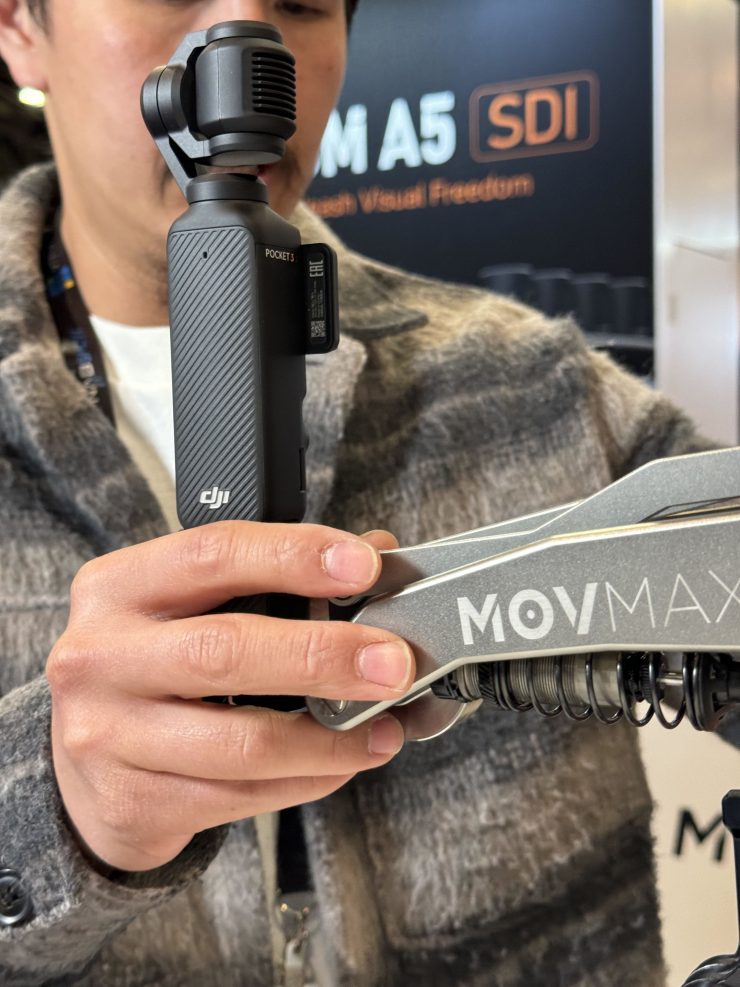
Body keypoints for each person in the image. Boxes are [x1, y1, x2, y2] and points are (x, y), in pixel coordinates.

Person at [0, 1, 733, 985]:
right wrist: (48, 807)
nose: (247, 37)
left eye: (303, 1)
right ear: (20, 24)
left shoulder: (539, 386)